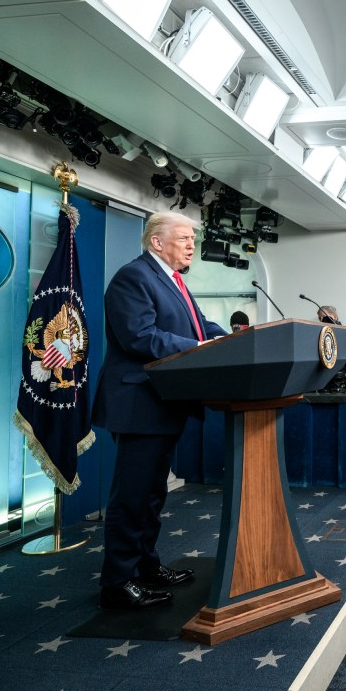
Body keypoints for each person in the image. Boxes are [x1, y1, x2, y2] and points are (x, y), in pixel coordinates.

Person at [93, 212, 226, 610]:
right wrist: (199, 349)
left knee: (151, 495)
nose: (191, 245)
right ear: (157, 242)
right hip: (139, 404)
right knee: (132, 496)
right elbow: (140, 336)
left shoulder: (174, 281)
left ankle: (145, 566)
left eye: (192, 239)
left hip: (163, 403)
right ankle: (117, 583)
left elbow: (200, 328)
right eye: (184, 238)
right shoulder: (132, 277)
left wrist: (232, 339)